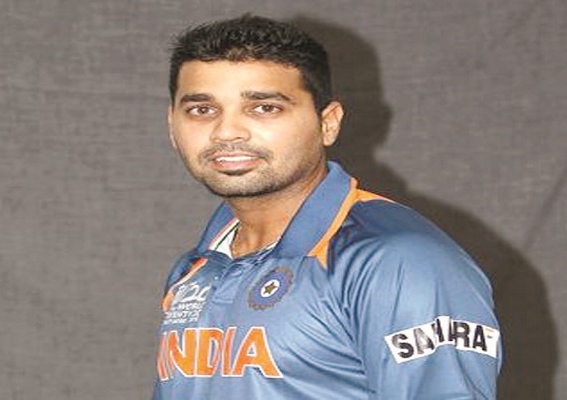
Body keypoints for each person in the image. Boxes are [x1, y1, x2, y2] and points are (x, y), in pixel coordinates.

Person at [153, 14, 502, 400]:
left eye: (264, 107)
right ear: (172, 126)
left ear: (328, 123)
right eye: (202, 110)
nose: (227, 131)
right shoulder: (196, 269)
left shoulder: (399, 260)